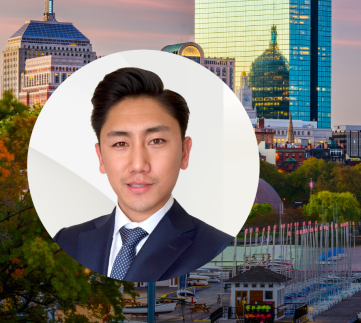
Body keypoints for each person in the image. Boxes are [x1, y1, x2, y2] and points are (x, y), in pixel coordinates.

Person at [53, 67, 233, 282]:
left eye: (156, 141)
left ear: (184, 152)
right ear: (101, 157)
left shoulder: (215, 246)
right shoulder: (68, 241)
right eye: (120, 143)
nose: (138, 164)